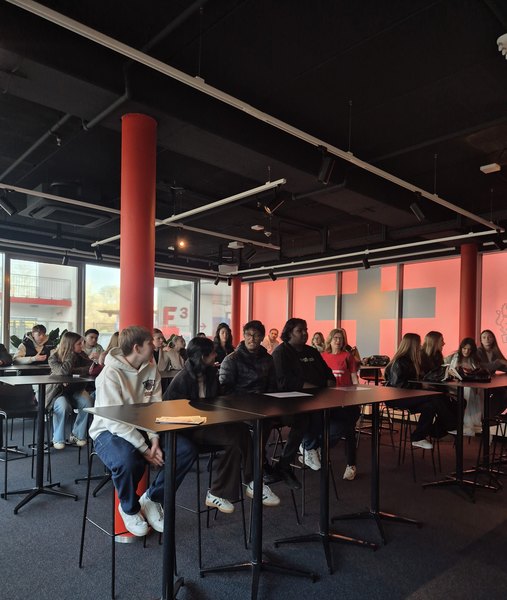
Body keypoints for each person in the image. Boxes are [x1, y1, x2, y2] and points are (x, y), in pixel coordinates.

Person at [89, 326, 197, 537]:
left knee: (185, 450)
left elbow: (154, 408)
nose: (156, 346)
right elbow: (114, 421)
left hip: (143, 428)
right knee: (128, 460)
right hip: (107, 431)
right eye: (150, 343)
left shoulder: (151, 368)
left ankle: (153, 498)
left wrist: (154, 439)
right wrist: (145, 449)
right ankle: (129, 508)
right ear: (137, 348)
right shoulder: (110, 374)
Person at [168, 335, 280, 510]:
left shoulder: (210, 373)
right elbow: (172, 413)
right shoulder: (181, 380)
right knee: (235, 437)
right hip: (190, 429)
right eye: (212, 353)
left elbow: (218, 399)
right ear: (203, 357)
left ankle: (231, 489)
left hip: (211, 423)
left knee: (241, 433)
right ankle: (250, 483)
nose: (216, 355)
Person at [272, 318, 334, 477]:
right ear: (289, 333)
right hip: (291, 402)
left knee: (347, 415)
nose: (305, 333)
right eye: (300, 330)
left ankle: (312, 444)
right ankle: (308, 446)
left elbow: (327, 372)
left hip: (320, 397)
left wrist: (330, 381)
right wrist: (314, 388)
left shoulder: (312, 351)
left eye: (306, 329)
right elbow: (284, 381)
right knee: (307, 416)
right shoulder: (281, 352)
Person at [384, 333, 454, 449]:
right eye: (418, 343)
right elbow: (399, 386)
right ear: (412, 345)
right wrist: (421, 385)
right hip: (396, 398)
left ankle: (418, 437)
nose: (420, 346)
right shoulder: (400, 362)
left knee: (430, 406)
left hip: (408, 396)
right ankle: (451, 425)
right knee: (434, 396)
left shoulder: (412, 361)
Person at [320, 328, 361, 480]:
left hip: (345, 399)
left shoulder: (348, 356)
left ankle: (351, 465)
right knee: (326, 428)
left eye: (341, 338)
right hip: (328, 399)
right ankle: (318, 450)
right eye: (335, 338)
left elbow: (354, 378)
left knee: (349, 430)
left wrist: (357, 396)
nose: (338, 341)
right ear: (330, 340)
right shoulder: (323, 356)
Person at [46, 332, 93, 449]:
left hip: (76, 389)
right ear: (70, 345)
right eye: (79, 344)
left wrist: (73, 371)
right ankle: (58, 438)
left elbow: (90, 368)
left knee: (87, 402)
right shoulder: (53, 358)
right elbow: (63, 372)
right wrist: (70, 355)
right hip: (58, 392)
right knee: (63, 406)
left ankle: (77, 435)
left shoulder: (82, 355)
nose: (82, 346)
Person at [449, 338, 482, 435]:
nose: (466, 351)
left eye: (469, 349)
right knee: (468, 390)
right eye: (464, 348)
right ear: (461, 348)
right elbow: (449, 370)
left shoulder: (474, 359)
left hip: (470, 385)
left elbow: (477, 373)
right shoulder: (455, 357)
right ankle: (464, 422)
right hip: (454, 387)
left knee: (475, 391)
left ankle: (470, 421)